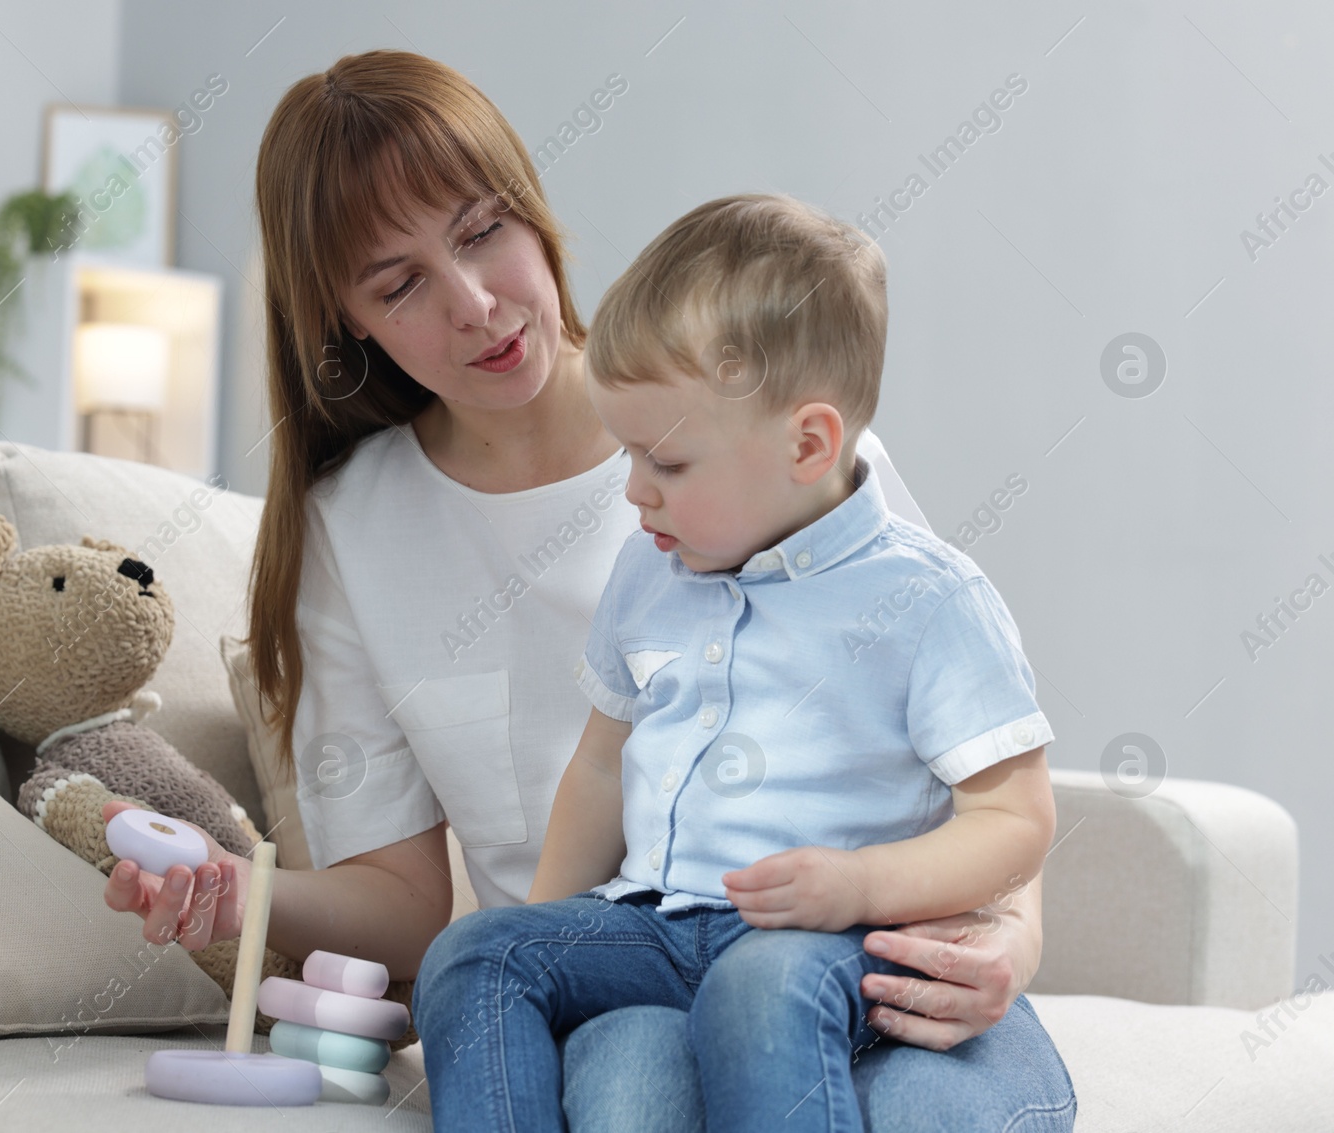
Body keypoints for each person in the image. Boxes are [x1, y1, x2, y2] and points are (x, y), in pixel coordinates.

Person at [101, 49, 1076, 1130]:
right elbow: (411, 896)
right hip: (621, 965)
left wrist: (1009, 936)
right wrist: (242, 894)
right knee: (628, 1096)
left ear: (531, 213)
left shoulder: (768, 445)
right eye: (400, 282)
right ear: (346, 322)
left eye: (481, 232)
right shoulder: (353, 531)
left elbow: (974, 768)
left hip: (840, 947)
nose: (474, 303)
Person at [411, 193, 1071, 1132]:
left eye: (667, 463)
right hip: (655, 923)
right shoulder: (651, 568)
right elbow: (601, 765)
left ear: (808, 444)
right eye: (628, 453)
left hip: (832, 938)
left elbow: (1014, 818)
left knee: (761, 985)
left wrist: (861, 886)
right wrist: (549, 939)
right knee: (476, 953)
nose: (634, 490)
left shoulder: (930, 600)